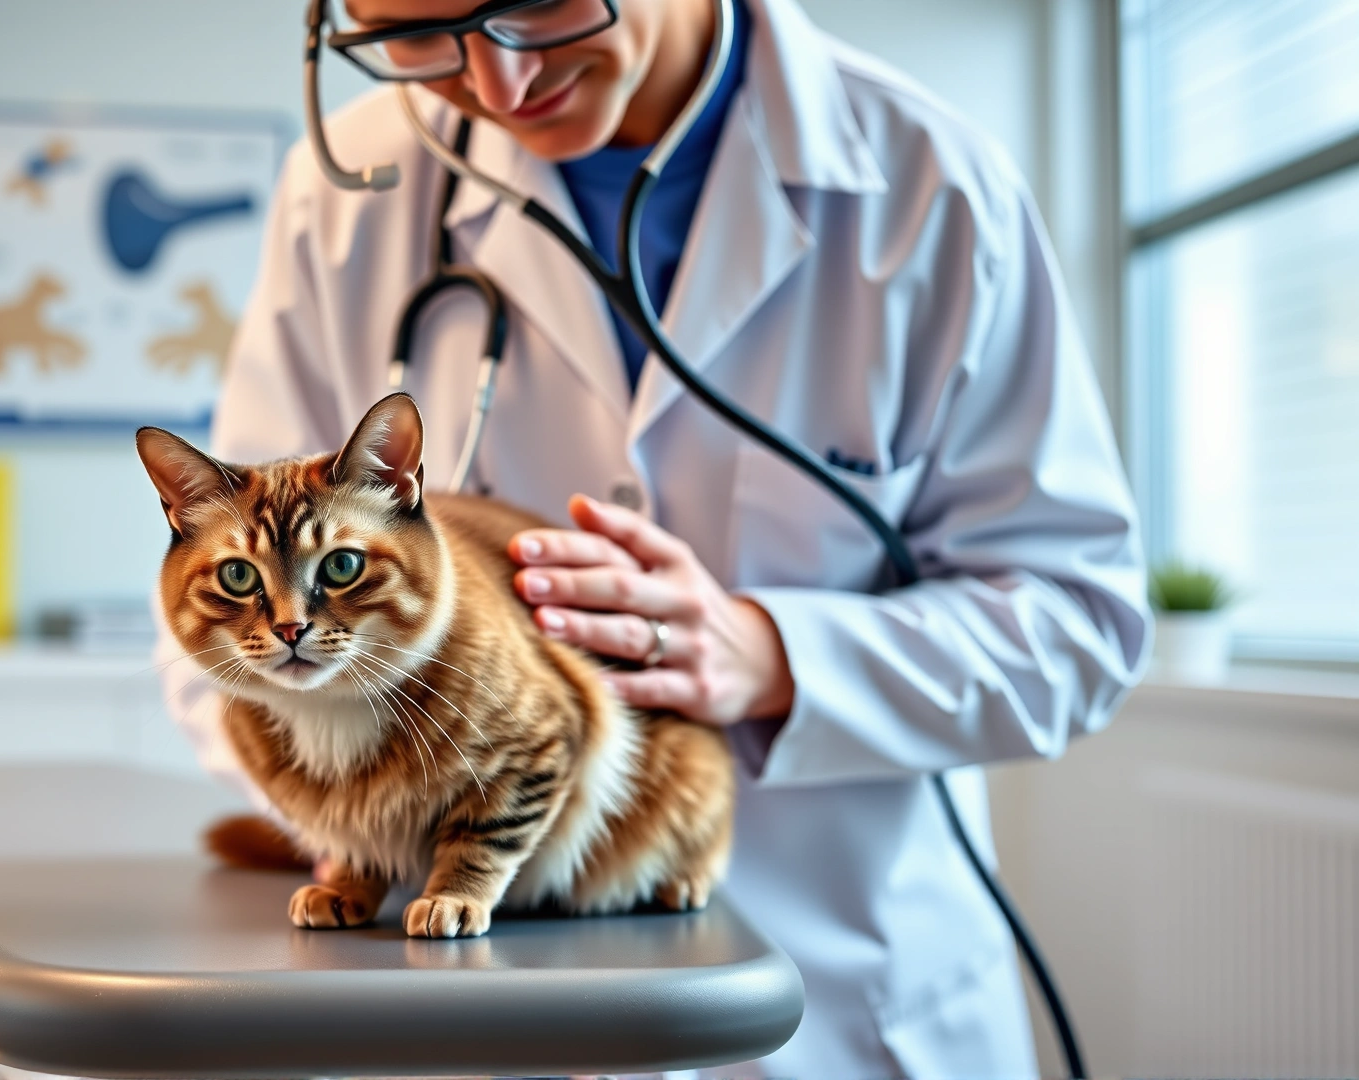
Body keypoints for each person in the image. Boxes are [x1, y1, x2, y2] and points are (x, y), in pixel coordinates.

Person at [159, 0, 1151, 1074]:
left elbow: (1078, 624)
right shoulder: (347, 188)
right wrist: (370, 796)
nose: (498, 88)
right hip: (470, 1016)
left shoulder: (930, 185)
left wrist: (769, 656)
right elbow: (219, 608)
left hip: (843, 1000)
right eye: (416, 33)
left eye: (537, 4)